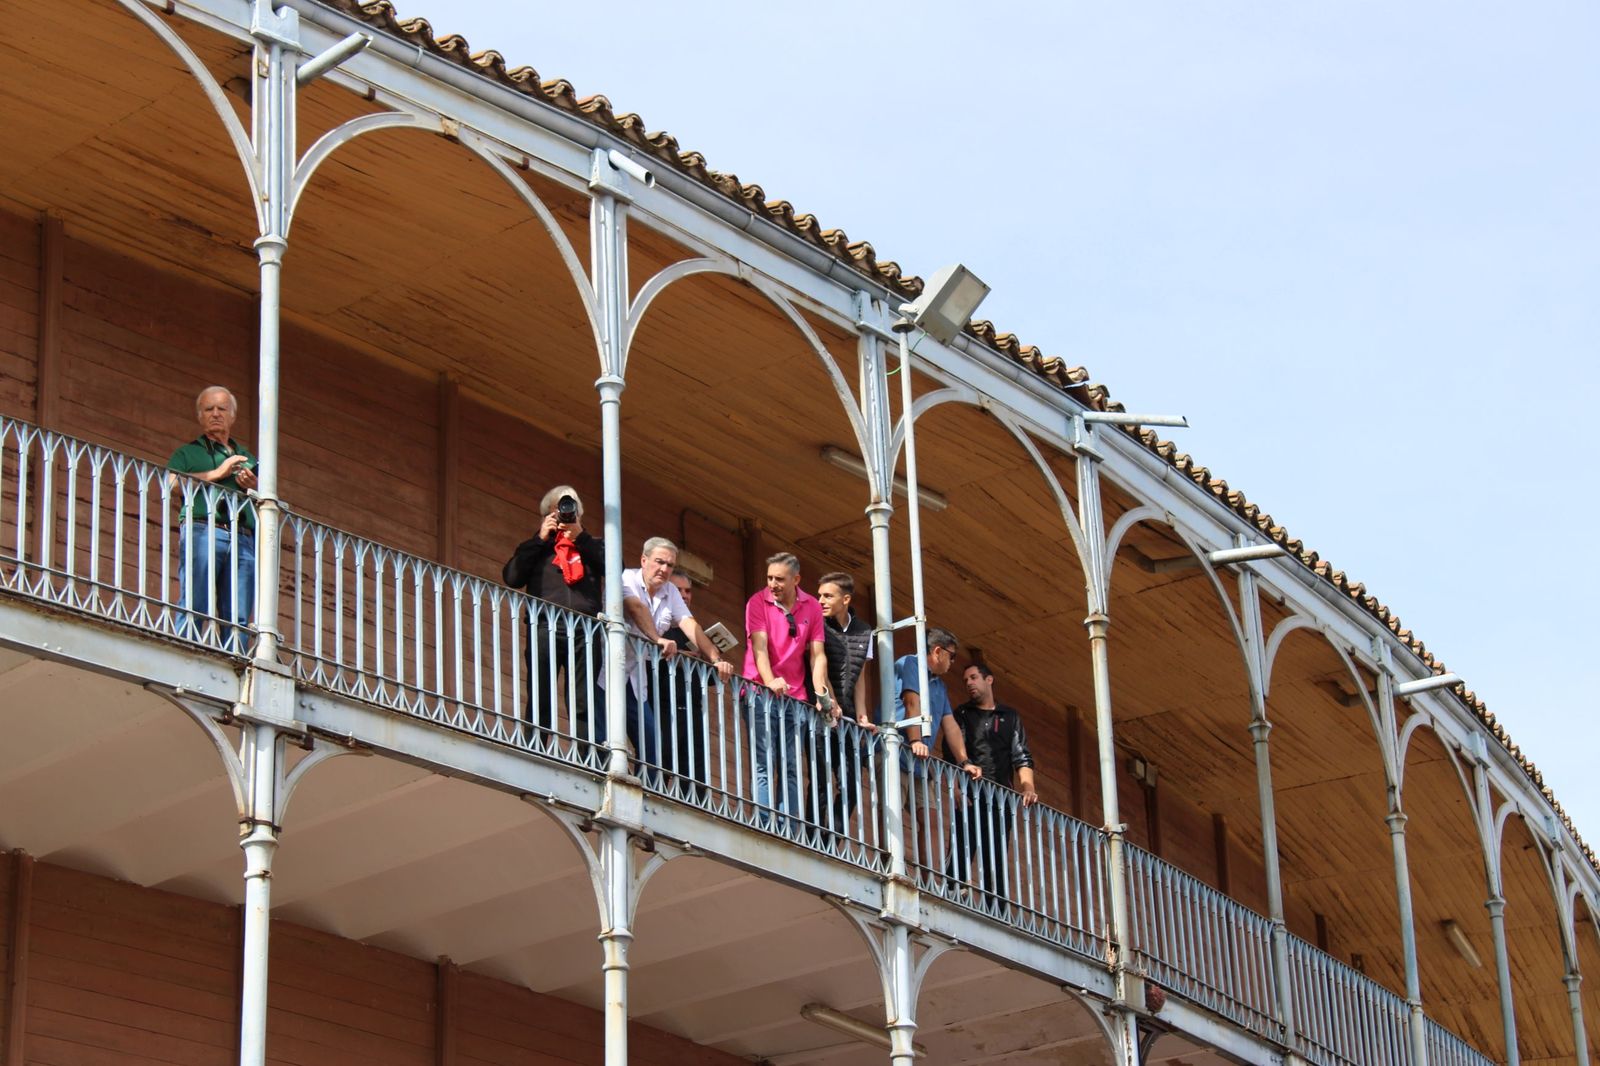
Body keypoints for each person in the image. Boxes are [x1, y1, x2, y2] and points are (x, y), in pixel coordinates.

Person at [618, 538, 733, 782]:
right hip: (608, 670)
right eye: (659, 562)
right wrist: (657, 638)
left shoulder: (669, 591)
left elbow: (689, 624)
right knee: (603, 731)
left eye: (669, 565)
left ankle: (644, 791)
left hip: (636, 678)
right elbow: (636, 608)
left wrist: (715, 658)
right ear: (644, 560)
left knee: (652, 748)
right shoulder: (627, 577)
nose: (664, 569)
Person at [502, 486, 605, 749]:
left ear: (579, 513)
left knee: (583, 695)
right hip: (545, 623)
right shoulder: (536, 547)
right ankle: (535, 745)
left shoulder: (592, 545)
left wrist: (581, 537)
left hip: (585, 628)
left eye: (570, 508)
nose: (565, 514)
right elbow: (512, 577)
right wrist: (539, 539)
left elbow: (615, 568)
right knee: (541, 689)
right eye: (558, 509)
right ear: (548, 513)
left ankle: (585, 752)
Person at [743, 552, 831, 825]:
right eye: (769, 578)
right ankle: (765, 822)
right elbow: (759, 648)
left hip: (795, 698)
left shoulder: (812, 606)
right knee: (764, 762)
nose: (772, 584)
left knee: (791, 765)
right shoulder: (757, 602)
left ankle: (789, 826)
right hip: (759, 692)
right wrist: (770, 681)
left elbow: (817, 655)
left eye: (779, 579)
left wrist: (821, 693)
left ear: (796, 580)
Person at [167, 386, 257, 652]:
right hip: (203, 529)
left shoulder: (247, 457)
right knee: (196, 600)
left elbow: (262, 499)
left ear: (232, 416)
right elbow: (172, 485)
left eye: (222, 409)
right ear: (200, 416)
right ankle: (186, 649)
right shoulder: (187, 453)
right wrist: (218, 472)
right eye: (209, 409)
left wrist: (252, 485)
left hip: (242, 536)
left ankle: (235, 657)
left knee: (238, 612)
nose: (216, 414)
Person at [949, 662, 1038, 906]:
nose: (969, 683)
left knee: (996, 853)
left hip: (1000, 798)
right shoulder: (963, 714)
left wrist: (1028, 787)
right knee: (961, 844)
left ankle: (995, 905)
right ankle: (953, 890)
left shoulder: (1009, 716)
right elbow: (952, 754)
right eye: (966, 680)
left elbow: (1021, 756)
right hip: (969, 792)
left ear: (989, 680)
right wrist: (954, 787)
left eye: (973, 677)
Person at [892, 627, 980, 868]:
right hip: (897, 753)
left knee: (930, 819)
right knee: (892, 810)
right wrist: (915, 741)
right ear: (938, 651)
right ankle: (889, 864)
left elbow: (950, 725)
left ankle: (929, 877)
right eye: (952, 656)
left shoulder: (940, 686)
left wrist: (964, 762)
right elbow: (911, 702)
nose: (952, 662)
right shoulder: (910, 664)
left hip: (919, 764)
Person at [809, 572, 875, 835]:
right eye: (819, 595)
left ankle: (831, 838)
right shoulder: (817, 624)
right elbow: (820, 666)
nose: (821, 601)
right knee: (821, 779)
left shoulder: (865, 632)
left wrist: (862, 716)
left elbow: (860, 677)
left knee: (851, 785)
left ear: (845, 599)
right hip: (822, 712)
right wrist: (831, 703)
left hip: (846, 720)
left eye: (828, 596)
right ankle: (813, 835)